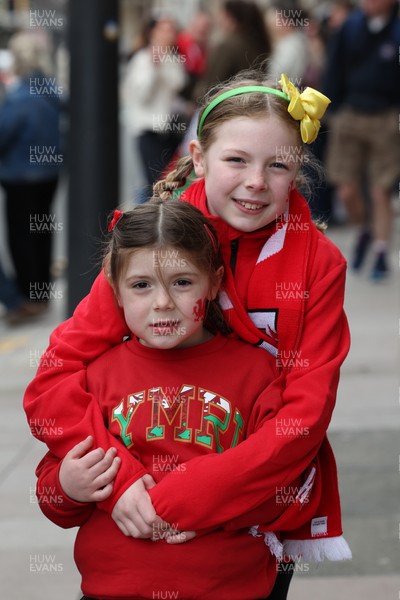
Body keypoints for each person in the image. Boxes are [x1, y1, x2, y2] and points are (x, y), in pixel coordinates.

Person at [25, 70, 351, 598]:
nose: (255, 182)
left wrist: (195, 497)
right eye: (236, 160)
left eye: (278, 166)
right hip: (137, 491)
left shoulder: (320, 263)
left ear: (298, 170)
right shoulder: (153, 242)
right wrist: (122, 480)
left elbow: (304, 413)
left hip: (258, 490)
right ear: (198, 157)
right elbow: (57, 374)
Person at [35, 199, 324, 599]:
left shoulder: (256, 373)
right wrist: (69, 486)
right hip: (112, 592)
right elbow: (53, 497)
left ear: (215, 282)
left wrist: (215, 506)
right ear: (114, 289)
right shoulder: (93, 378)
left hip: (230, 590)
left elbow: (286, 488)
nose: (163, 303)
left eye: (183, 282)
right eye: (141, 285)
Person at [323, 0, 400, 280]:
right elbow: (333, 69)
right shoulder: (351, 27)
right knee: (347, 189)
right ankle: (363, 230)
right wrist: (330, 109)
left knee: (381, 190)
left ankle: (380, 251)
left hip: (386, 117)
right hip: (350, 114)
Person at [0, 31, 63, 311]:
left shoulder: (18, 97)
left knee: (21, 235)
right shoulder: (49, 89)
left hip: (20, 175)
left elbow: (4, 133)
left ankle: (28, 295)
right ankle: (42, 292)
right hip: (49, 172)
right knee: (42, 230)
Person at [122, 15, 187, 202]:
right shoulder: (142, 59)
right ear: (153, 32)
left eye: (171, 30)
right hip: (148, 130)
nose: (168, 34)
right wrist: (154, 68)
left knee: (167, 181)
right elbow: (141, 95)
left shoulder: (172, 58)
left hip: (169, 131)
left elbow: (177, 86)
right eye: (163, 29)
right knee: (154, 183)